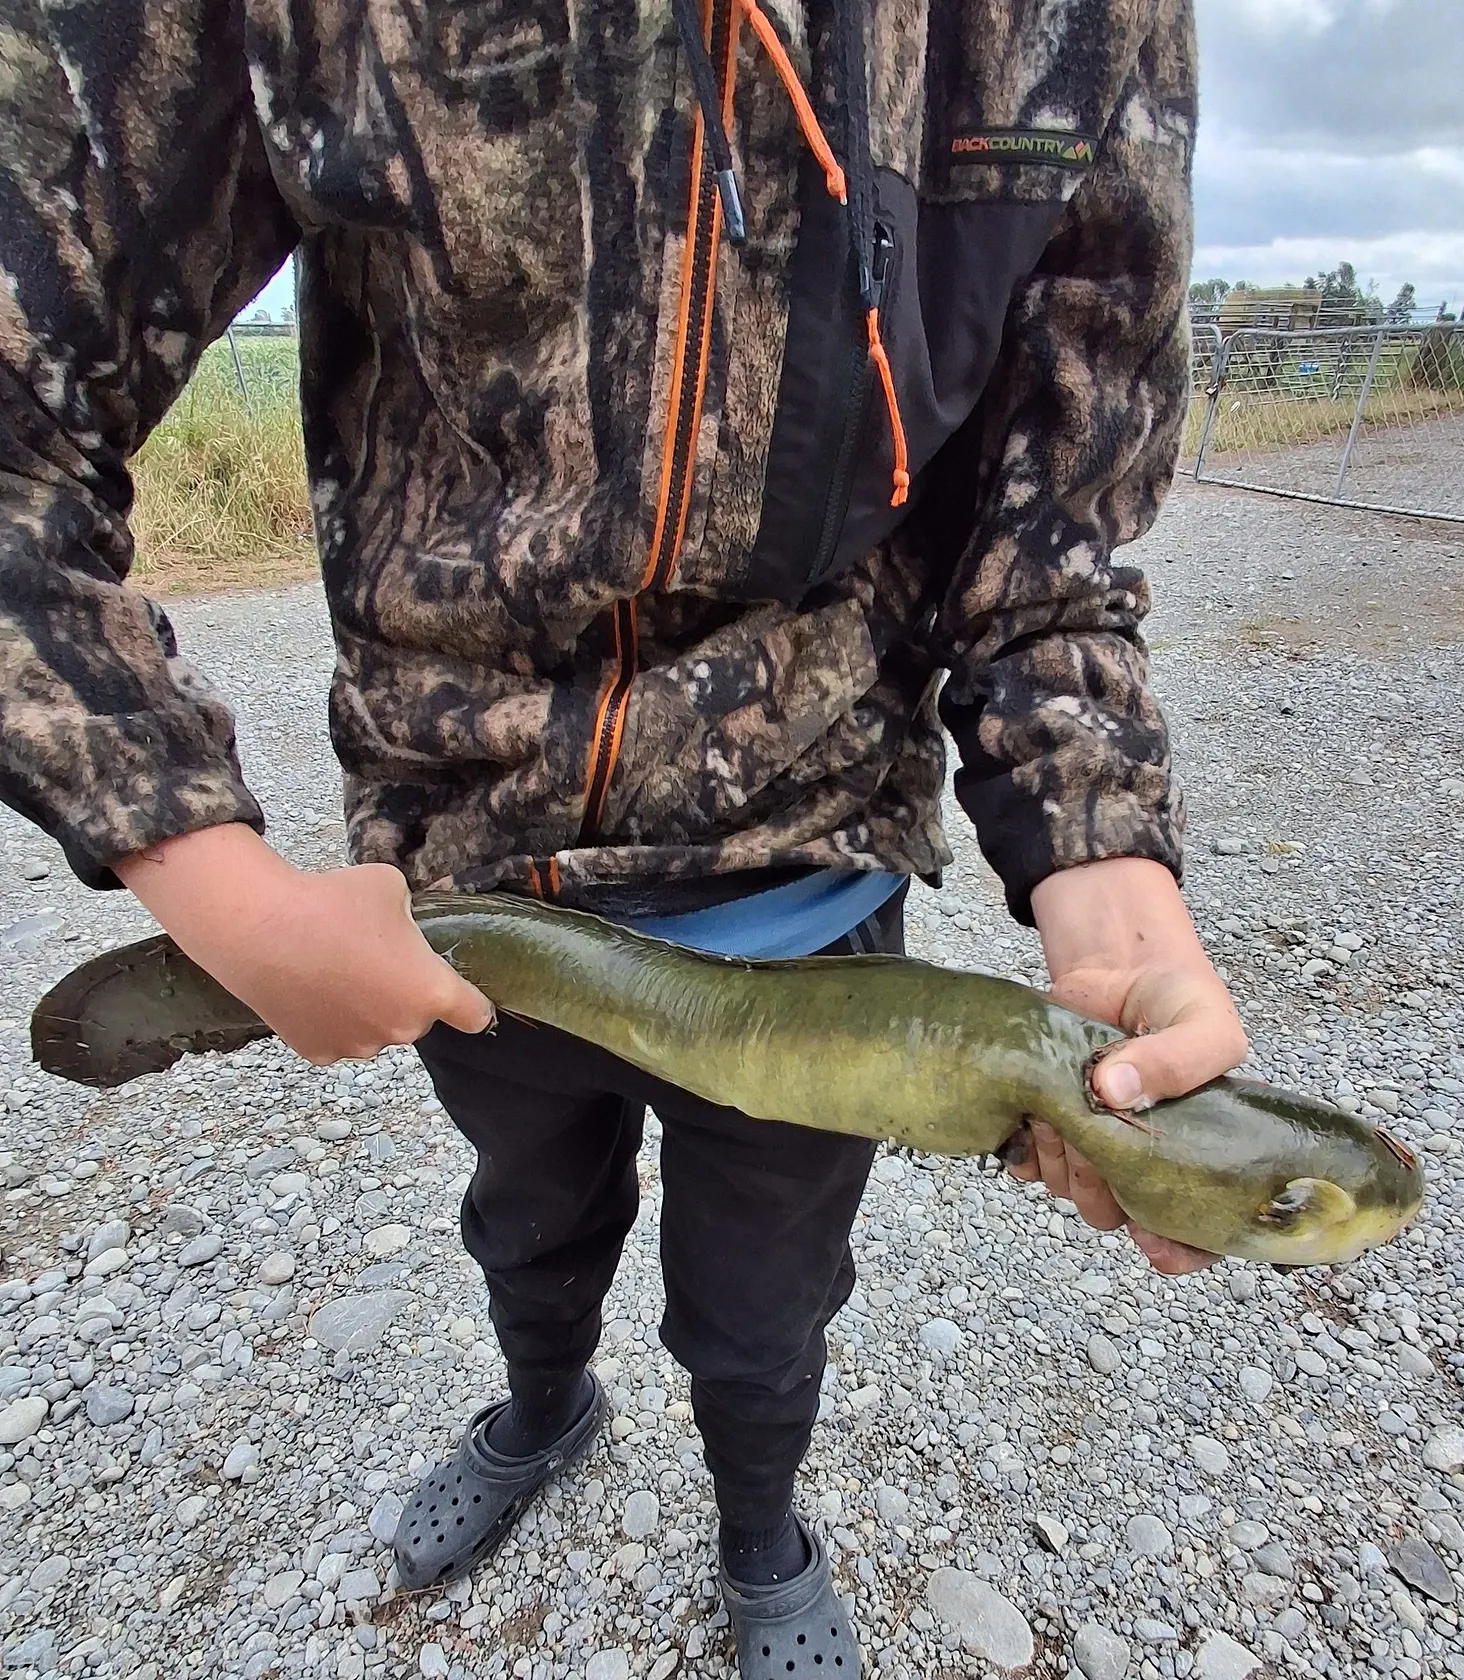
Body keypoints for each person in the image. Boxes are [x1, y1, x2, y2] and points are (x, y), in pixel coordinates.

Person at [0, 0, 1246, 1672]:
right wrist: (213, 879)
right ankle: (543, 1404)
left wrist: (1115, 894)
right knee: (528, 1219)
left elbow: (1054, 542)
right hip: (479, 899)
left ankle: (759, 1522)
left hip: (809, 897)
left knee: (766, 1308)